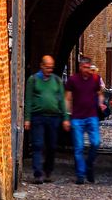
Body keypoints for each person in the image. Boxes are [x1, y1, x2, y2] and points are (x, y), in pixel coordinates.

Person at [25, 55, 67, 184]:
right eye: (47, 67)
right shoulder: (33, 80)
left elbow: (61, 100)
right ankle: (38, 173)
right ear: (41, 66)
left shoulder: (57, 81)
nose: (49, 69)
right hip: (38, 116)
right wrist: (27, 118)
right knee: (37, 145)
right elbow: (28, 99)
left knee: (52, 146)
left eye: (51, 67)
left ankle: (48, 171)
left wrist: (65, 117)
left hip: (53, 118)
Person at [65, 56, 104, 184]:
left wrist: (101, 103)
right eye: (85, 67)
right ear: (80, 67)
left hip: (92, 116)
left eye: (89, 67)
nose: (87, 70)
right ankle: (81, 174)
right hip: (77, 118)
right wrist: (67, 116)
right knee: (79, 147)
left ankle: (89, 165)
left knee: (96, 142)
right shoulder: (73, 80)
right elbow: (68, 98)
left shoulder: (95, 79)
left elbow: (99, 94)